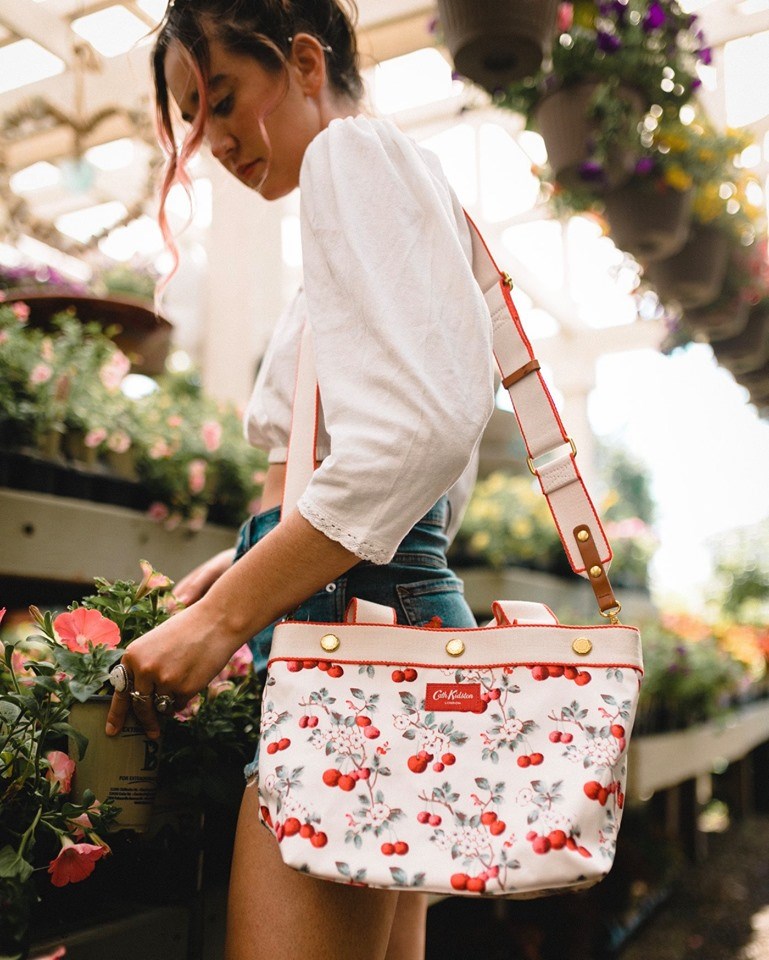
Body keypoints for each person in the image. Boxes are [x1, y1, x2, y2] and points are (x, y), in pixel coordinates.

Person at [106, 1, 495, 957]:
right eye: (197, 121)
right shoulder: (391, 177)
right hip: (378, 632)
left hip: (351, 647)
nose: (217, 144)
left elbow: (419, 435)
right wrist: (237, 563)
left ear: (305, 62)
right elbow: (410, 472)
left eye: (225, 100)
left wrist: (220, 616)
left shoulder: (347, 161)